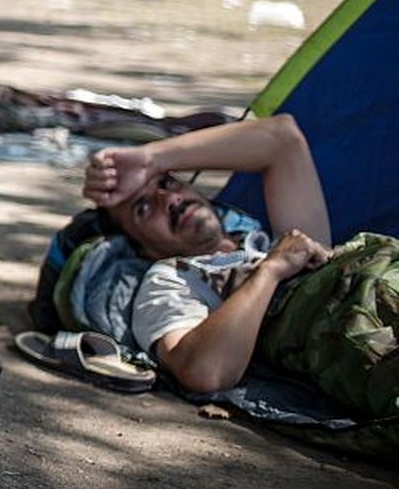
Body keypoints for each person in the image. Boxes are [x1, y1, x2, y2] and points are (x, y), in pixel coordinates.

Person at [80, 116, 339, 396]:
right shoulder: (172, 280)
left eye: (168, 182)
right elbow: (202, 371)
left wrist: (149, 160)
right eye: (143, 208)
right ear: (144, 248)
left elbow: (282, 137)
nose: (171, 200)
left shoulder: (281, 241)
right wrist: (271, 270)